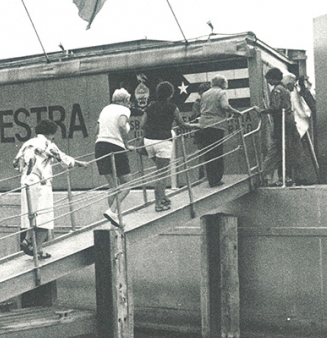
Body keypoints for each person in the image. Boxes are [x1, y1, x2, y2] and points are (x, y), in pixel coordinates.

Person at [14, 119, 89, 258]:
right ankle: (39, 249)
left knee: (30, 214)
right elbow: (63, 159)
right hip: (41, 183)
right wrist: (80, 164)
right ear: (50, 133)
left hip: (26, 182)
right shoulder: (48, 143)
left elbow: (16, 163)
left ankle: (27, 239)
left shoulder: (27, 144)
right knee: (45, 217)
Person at [141, 81, 191, 211]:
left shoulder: (150, 107)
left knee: (160, 170)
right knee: (161, 174)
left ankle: (163, 197)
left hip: (149, 142)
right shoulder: (172, 107)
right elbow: (182, 125)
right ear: (170, 94)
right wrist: (196, 126)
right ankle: (158, 204)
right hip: (163, 142)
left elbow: (142, 125)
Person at [195, 75, 242, 187]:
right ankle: (217, 179)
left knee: (208, 153)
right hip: (216, 125)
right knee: (217, 152)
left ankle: (211, 178)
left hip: (204, 124)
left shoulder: (205, 93)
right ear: (222, 83)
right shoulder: (221, 93)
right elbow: (225, 106)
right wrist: (236, 112)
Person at [95, 88, 132, 227]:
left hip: (99, 146)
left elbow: (96, 130)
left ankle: (114, 218)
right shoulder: (124, 110)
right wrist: (126, 144)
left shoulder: (105, 109)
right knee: (128, 183)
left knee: (113, 186)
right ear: (124, 100)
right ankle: (112, 211)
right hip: (115, 146)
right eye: (128, 101)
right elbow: (122, 125)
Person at [260, 68, 294, 186]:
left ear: (273, 78)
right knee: (284, 149)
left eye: (269, 79)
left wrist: (262, 111)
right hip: (288, 121)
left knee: (279, 149)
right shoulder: (285, 89)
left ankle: (278, 177)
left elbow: (275, 107)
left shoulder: (277, 90)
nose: (268, 82)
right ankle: (285, 177)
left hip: (281, 122)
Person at [287, 73, 318, 185]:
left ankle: (298, 177)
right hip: (298, 125)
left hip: (299, 124)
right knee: (298, 152)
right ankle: (298, 177)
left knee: (298, 153)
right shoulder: (298, 92)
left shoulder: (298, 92)